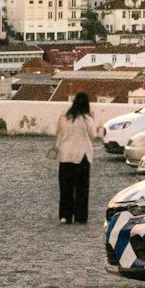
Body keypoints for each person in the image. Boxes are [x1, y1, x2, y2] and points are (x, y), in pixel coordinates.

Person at [52, 92, 102, 224]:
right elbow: (93, 135)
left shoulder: (63, 116)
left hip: (65, 155)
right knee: (81, 188)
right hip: (82, 156)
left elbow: (56, 131)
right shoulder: (86, 119)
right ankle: (80, 216)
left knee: (65, 188)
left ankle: (65, 216)